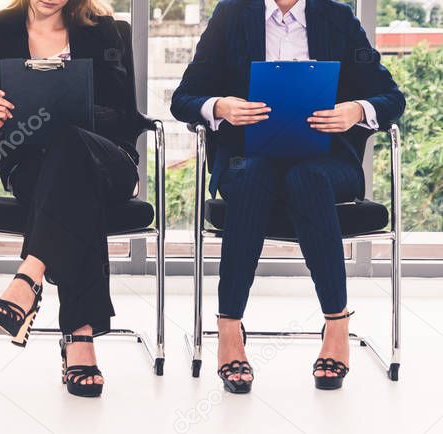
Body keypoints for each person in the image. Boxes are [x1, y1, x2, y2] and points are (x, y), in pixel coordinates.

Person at [170, 0, 404, 392]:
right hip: (250, 159)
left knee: (306, 178)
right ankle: (229, 328)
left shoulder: (337, 17)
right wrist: (220, 107)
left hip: (326, 164)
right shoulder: (232, 14)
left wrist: (355, 110)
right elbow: (184, 99)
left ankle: (336, 323)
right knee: (253, 175)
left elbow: (391, 97)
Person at [0, 0, 140, 397]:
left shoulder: (102, 29)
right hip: (32, 166)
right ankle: (79, 338)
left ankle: (27, 279)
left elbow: (122, 113)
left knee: (71, 146)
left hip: (106, 161)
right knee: (72, 189)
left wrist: (70, 109)